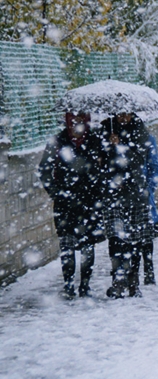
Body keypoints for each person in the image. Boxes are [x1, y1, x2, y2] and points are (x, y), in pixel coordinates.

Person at [38, 112, 105, 299]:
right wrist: (56, 192)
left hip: (89, 202)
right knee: (67, 244)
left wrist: (97, 183)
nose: (77, 127)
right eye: (73, 122)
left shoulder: (95, 140)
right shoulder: (58, 141)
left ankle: (85, 284)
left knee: (87, 245)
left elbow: (106, 167)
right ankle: (68, 284)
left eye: (80, 123)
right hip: (65, 203)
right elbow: (44, 170)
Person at [99, 112, 153, 298]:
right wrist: (108, 147)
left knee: (135, 240)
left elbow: (139, 158)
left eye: (126, 113)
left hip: (135, 194)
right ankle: (117, 280)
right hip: (114, 195)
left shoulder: (140, 130)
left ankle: (133, 282)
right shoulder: (106, 128)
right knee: (115, 239)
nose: (123, 117)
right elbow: (99, 161)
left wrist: (120, 145)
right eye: (119, 113)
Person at [129, 134, 158, 287]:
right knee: (131, 236)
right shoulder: (113, 135)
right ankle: (134, 272)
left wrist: (148, 188)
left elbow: (155, 168)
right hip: (124, 195)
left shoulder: (146, 139)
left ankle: (148, 270)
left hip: (142, 194)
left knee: (146, 233)